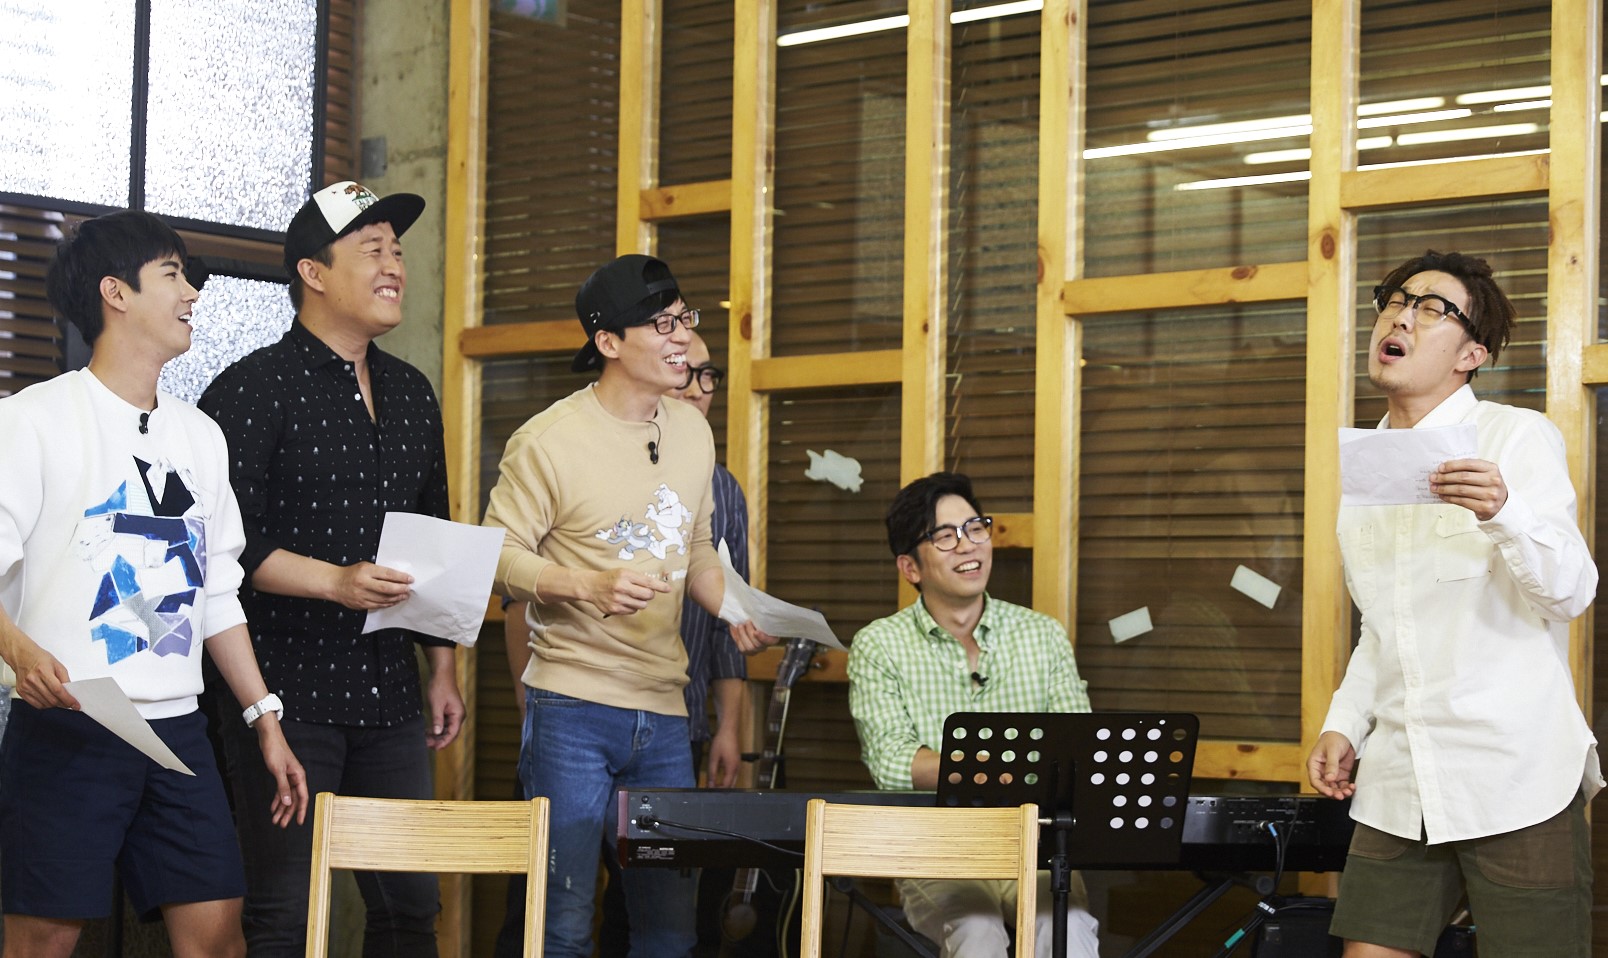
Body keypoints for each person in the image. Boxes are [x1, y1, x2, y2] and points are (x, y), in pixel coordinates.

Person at [0, 211, 308, 958]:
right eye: (172, 274)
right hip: (70, 722)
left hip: (177, 728)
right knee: (43, 940)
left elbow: (217, 592)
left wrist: (265, 719)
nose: (192, 292)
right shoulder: (32, 420)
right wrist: (18, 652)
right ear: (116, 293)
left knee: (218, 936)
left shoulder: (201, 436)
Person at [1306, 251, 1600, 958]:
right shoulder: (1366, 465)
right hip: (1399, 776)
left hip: (1514, 771)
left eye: (1433, 308)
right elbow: (1384, 625)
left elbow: (1571, 592)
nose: (1402, 317)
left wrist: (1505, 511)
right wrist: (1345, 722)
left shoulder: (1515, 436)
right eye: (1395, 301)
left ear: (1472, 355)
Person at [197, 181, 464, 956]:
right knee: (283, 908)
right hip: (284, 692)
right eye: (372, 250)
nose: (394, 266)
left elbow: (433, 532)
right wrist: (336, 581)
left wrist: (442, 667)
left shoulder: (413, 391)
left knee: (411, 906)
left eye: (398, 251)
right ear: (313, 274)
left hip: (391, 692)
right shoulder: (250, 389)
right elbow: (224, 549)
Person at [483, 254, 771, 958]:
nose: (682, 337)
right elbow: (496, 557)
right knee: (563, 922)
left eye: (683, 319)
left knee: (670, 930)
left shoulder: (693, 431)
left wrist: (734, 607)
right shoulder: (547, 441)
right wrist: (588, 585)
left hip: (666, 714)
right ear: (608, 342)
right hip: (571, 708)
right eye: (661, 325)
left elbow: (697, 550)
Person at [847, 472, 1100, 958]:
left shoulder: (1042, 635)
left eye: (975, 528)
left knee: (1066, 927)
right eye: (945, 536)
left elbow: (1078, 748)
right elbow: (893, 764)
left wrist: (974, 767)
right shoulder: (879, 645)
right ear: (910, 567)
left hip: (1035, 842)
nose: (968, 545)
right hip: (937, 847)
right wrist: (1009, 766)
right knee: (977, 927)